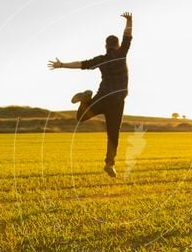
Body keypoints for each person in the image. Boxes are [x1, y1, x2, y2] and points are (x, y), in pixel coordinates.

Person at [48, 12, 133, 178]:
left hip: (102, 97)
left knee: (80, 118)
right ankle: (110, 164)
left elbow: (82, 64)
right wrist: (130, 20)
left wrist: (62, 64)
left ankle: (85, 99)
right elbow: (127, 35)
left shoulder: (101, 59)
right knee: (113, 133)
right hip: (117, 102)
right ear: (116, 45)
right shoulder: (122, 53)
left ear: (105, 46)